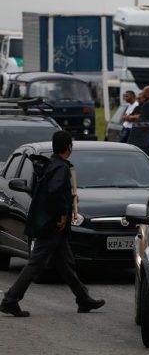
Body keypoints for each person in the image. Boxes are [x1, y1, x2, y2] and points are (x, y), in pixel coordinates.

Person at [0, 131, 105, 317]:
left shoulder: (51, 165)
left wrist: (70, 197)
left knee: (66, 265)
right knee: (35, 264)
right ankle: (10, 300)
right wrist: (63, 213)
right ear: (69, 147)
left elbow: (52, 191)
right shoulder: (61, 168)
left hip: (49, 224)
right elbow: (55, 192)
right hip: (52, 225)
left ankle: (83, 299)